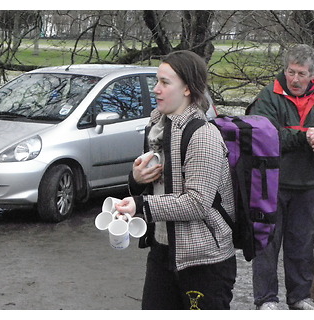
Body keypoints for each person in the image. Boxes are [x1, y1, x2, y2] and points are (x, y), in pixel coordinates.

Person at [115, 50, 237, 310]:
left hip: (204, 261)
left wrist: (141, 205)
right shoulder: (158, 127)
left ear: (187, 89)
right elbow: (156, 187)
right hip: (162, 251)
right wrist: (136, 179)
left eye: (165, 83)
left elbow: (197, 203)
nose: (156, 89)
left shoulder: (203, 136)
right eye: (157, 81)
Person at [247, 44, 314, 310]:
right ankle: (266, 299)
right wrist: (306, 136)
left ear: (312, 74)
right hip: (271, 183)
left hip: (308, 184)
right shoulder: (269, 95)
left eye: (301, 74)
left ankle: (300, 297)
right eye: (291, 72)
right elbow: (267, 136)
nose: (295, 79)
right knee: (266, 243)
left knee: (302, 244)